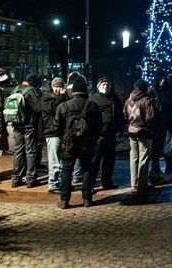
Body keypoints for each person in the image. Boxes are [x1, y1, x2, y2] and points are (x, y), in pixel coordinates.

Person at [53, 76, 102, 208]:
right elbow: (99, 127)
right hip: (87, 143)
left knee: (67, 170)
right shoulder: (92, 106)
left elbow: (56, 127)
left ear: (72, 91)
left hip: (69, 144)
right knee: (87, 169)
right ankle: (87, 198)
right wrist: (92, 139)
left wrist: (64, 138)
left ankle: (64, 200)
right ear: (85, 91)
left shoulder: (63, 106)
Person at [90, 76, 123, 189]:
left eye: (107, 84)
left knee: (109, 159)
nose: (105, 86)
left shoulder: (114, 98)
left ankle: (106, 181)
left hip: (111, 134)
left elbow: (120, 113)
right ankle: (91, 182)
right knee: (95, 159)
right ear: (98, 86)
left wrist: (121, 127)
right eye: (103, 84)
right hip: (99, 135)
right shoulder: (93, 99)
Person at [123, 78, 156, 194]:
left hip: (131, 131)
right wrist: (150, 127)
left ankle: (134, 183)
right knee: (144, 157)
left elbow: (125, 116)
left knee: (134, 157)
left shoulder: (129, 100)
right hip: (144, 132)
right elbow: (150, 118)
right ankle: (142, 184)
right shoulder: (146, 100)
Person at [10, 72, 43, 188]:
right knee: (30, 151)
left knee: (18, 151)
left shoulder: (15, 89)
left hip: (16, 125)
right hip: (29, 125)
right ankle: (30, 178)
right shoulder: (31, 91)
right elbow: (39, 108)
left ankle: (16, 178)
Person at [41, 77, 68, 195]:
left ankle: (61, 182)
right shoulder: (46, 98)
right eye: (56, 87)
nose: (58, 89)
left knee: (61, 160)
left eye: (60, 87)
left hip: (62, 132)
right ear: (52, 87)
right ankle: (53, 184)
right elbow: (55, 109)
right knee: (54, 160)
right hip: (52, 132)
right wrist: (62, 97)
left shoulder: (62, 98)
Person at [148, 74, 170, 183]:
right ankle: (154, 171)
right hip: (156, 124)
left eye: (164, 79)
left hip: (163, 123)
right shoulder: (152, 92)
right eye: (161, 79)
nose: (162, 81)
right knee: (155, 149)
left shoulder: (165, 92)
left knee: (159, 147)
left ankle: (155, 170)